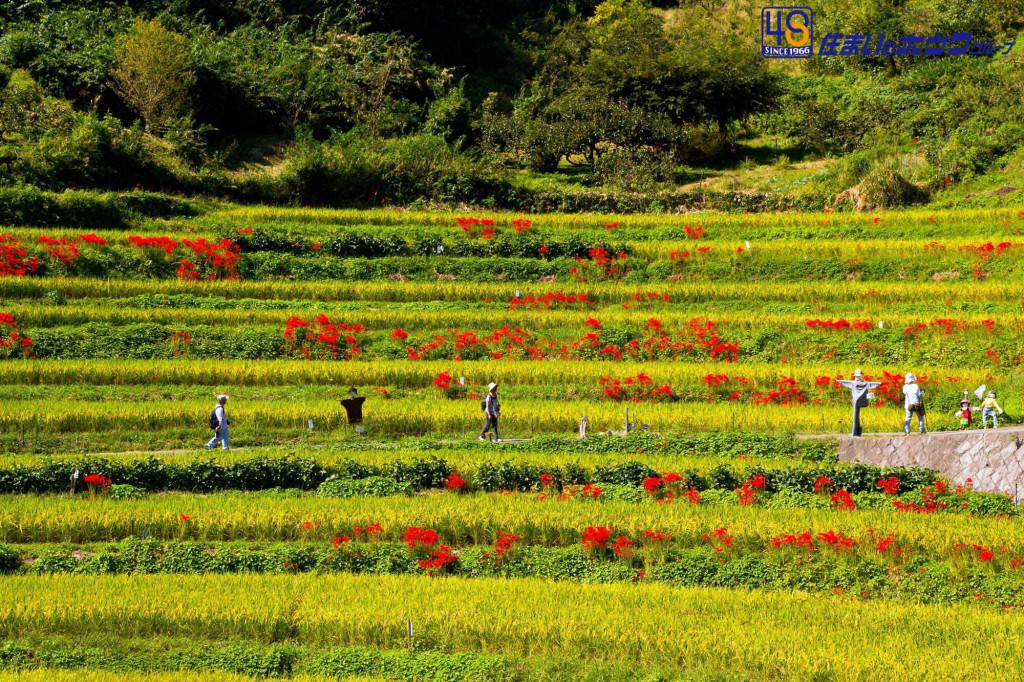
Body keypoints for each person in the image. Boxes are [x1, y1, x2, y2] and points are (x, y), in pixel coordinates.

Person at [837, 369, 881, 437]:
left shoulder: (853, 383)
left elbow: (844, 382)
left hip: (856, 401)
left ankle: (854, 433)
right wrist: (878, 384)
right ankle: (856, 432)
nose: (856, 378)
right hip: (860, 400)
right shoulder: (865, 384)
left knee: (855, 417)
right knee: (856, 417)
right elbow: (874, 384)